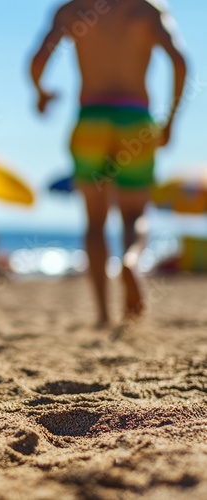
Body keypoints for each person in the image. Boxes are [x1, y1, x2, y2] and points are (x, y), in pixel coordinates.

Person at [30, 0, 187, 327]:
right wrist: (171, 120)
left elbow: (37, 61)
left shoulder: (73, 10)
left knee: (95, 222)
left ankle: (102, 314)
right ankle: (130, 261)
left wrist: (41, 93)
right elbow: (180, 61)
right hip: (135, 119)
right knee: (135, 214)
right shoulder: (147, 9)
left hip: (92, 119)